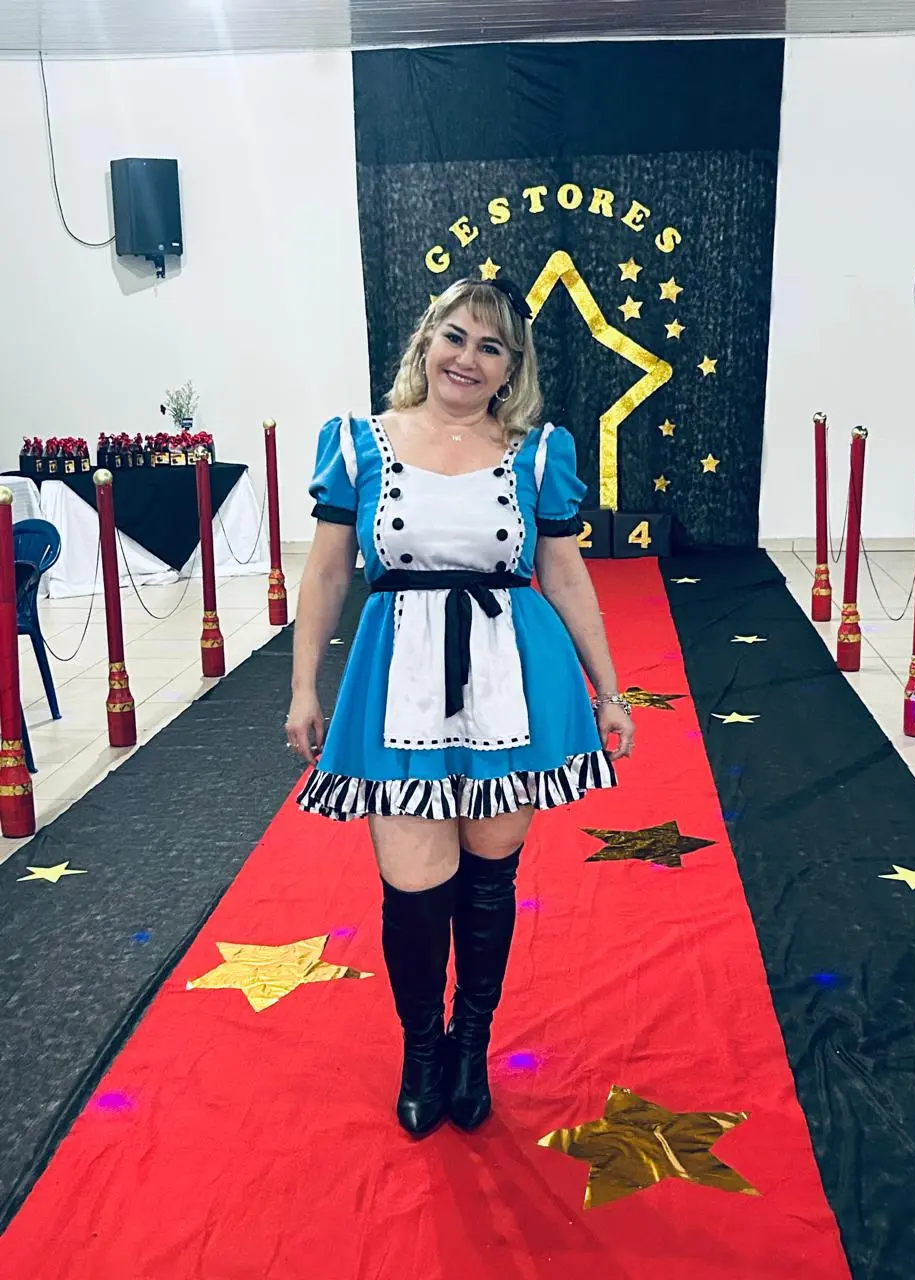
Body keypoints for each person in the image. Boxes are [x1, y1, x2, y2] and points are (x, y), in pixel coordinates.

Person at [286, 276, 634, 1139]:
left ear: (512, 368)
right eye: (455, 336)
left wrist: (609, 690)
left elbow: (563, 575)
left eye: (491, 347)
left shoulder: (538, 453)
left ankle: (471, 1047)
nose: (467, 359)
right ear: (426, 340)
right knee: (413, 890)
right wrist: (303, 687)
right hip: (394, 681)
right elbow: (326, 573)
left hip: (512, 682)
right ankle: (422, 1050)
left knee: (487, 882)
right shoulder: (359, 444)